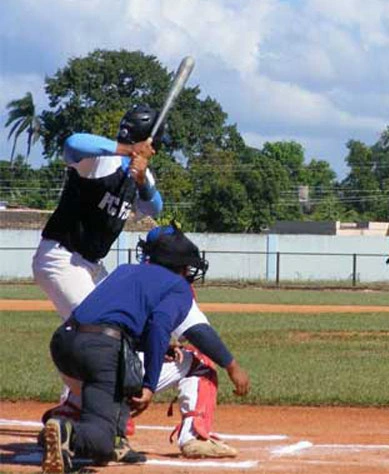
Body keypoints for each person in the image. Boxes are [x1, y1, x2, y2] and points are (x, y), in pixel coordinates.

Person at [41, 225, 251, 473]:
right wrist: (150, 386)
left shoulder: (124, 271)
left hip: (64, 344)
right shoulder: (178, 286)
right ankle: (74, 433)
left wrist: (151, 345)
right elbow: (159, 325)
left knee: (116, 370)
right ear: (181, 267)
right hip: (100, 351)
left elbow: (115, 318)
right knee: (100, 445)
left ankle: (73, 423)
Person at [31, 105, 163, 461]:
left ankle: (71, 412)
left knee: (125, 334)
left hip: (90, 265)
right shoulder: (100, 160)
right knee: (103, 341)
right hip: (61, 258)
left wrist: (139, 177)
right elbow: (73, 142)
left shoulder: (139, 173)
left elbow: (156, 206)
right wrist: (126, 152)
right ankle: (97, 425)